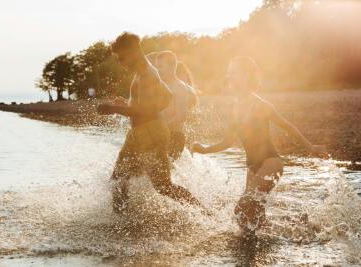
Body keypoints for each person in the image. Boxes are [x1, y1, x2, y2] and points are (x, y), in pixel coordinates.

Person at [191, 56, 327, 230]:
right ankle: (303, 225)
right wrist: (205, 150)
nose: (230, 76)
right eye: (229, 72)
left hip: (271, 163)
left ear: (248, 76)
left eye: (235, 73)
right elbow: (228, 141)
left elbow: (288, 126)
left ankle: (297, 229)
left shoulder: (259, 105)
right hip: (252, 166)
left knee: (241, 208)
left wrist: (310, 147)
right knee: (254, 219)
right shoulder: (234, 107)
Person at [97, 32, 201, 213]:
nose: (121, 62)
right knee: (118, 179)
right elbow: (166, 96)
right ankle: (121, 220)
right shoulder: (142, 72)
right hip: (137, 134)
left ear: (133, 53)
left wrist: (113, 109)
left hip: (152, 135)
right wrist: (128, 105)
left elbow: (145, 111)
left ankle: (204, 212)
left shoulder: (147, 75)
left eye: (122, 57)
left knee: (163, 187)